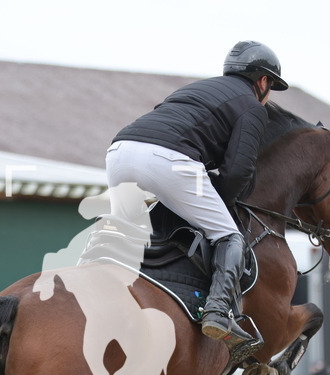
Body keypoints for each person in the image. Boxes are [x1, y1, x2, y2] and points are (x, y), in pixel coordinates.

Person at [105, 41, 288, 354]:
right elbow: (236, 171)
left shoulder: (197, 89)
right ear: (262, 81)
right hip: (169, 161)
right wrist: (220, 207)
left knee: (127, 239)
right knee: (229, 235)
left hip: (119, 152)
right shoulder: (253, 107)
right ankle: (217, 311)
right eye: (271, 86)